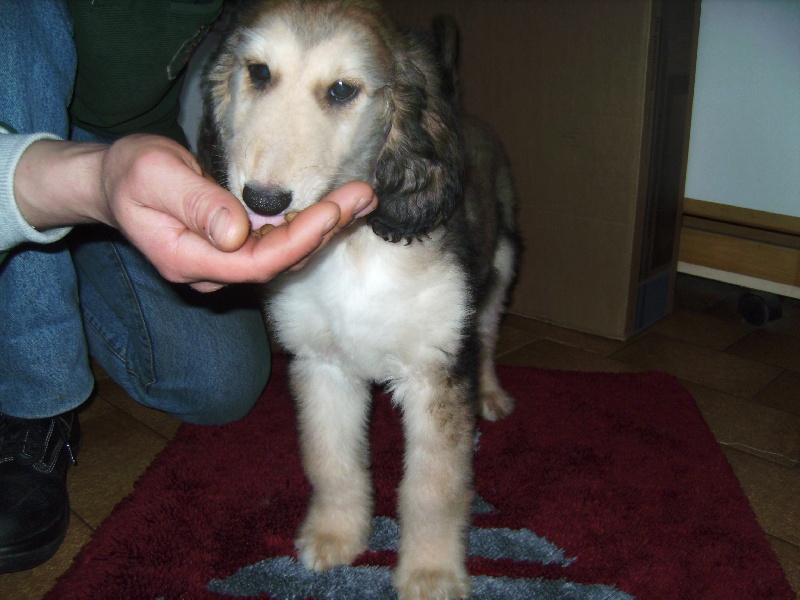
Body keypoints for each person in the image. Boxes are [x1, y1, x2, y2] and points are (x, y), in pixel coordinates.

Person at [0, 0, 377, 574]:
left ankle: (71, 267)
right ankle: (33, 399)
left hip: (137, 140)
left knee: (222, 383)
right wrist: (84, 181)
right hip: (17, 108)